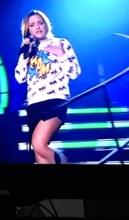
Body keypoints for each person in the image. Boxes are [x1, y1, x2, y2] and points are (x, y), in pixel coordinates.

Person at [14, 9, 81, 164]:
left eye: (40, 23)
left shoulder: (61, 43)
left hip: (54, 100)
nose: (37, 27)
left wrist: (61, 55)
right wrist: (24, 55)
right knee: (38, 155)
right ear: (28, 30)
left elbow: (74, 72)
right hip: (33, 104)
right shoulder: (29, 50)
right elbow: (19, 78)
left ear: (47, 24)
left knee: (39, 144)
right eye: (32, 25)